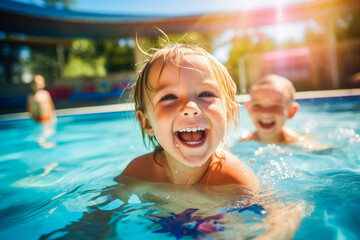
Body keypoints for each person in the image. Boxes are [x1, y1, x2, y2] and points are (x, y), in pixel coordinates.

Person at [121, 43, 259, 189]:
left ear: (228, 113)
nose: (191, 108)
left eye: (205, 94)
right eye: (169, 97)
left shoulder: (235, 183)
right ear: (147, 122)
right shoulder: (139, 173)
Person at [241, 74, 321, 148]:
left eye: (276, 106)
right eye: (257, 105)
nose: (266, 113)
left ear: (291, 111)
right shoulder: (242, 144)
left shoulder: (303, 144)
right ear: (248, 108)